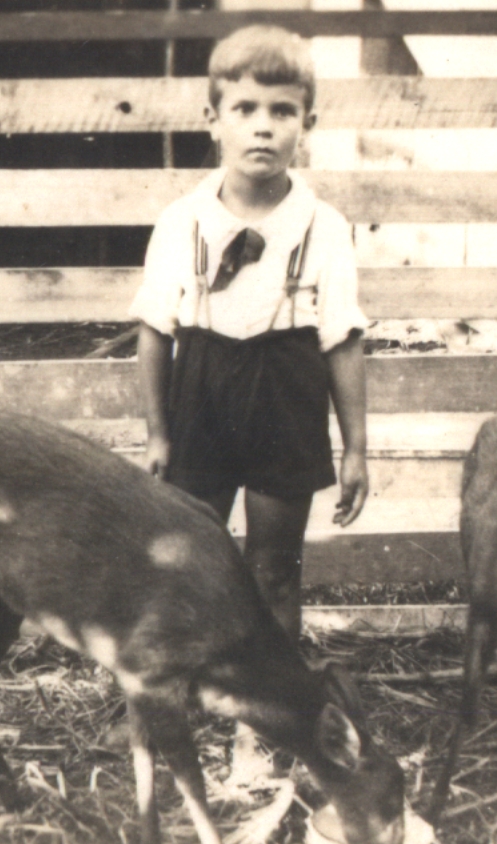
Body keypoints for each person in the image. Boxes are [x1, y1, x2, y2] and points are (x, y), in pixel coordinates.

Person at [130, 24, 369, 642]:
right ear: (213, 120)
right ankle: (190, 685)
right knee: (189, 566)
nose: (263, 127)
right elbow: (154, 331)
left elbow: (343, 340)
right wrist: (158, 432)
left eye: (282, 111)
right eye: (245, 109)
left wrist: (356, 449)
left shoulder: (324, 227)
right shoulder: (181, 222)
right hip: (201, 396)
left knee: (276, 571)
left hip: (286, 399)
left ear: (307, 124)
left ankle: (270, 696)